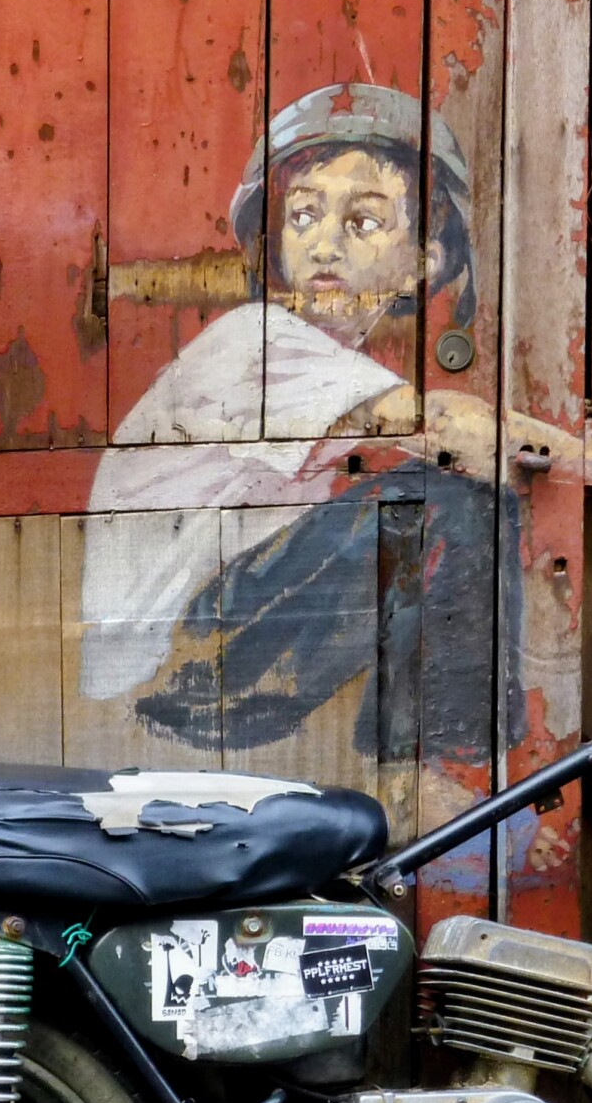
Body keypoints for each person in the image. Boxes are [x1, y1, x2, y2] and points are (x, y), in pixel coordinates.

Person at [81, 83, 489, 763]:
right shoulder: (256, 339)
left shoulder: (316, 364)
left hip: (198, 656)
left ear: (425, 260)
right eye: (303, 217)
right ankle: (449, 768)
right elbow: (444, 428)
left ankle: (419, 760)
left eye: (361, 223)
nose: (324, 244)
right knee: (447, 500)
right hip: (167, 671)